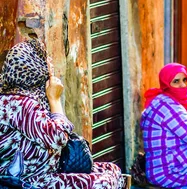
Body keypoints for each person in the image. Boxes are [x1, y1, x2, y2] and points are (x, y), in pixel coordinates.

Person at [0, 39, 123, 189]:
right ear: (34, 67)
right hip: (28, 179)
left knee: (112, 170)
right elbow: (58, 138)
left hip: (46, 171)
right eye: (46, 59)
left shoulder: (25, 97)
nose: (50, 64)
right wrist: (55, 99)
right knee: (104, 183)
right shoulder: (19, 104)